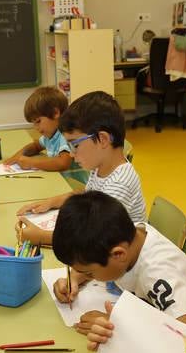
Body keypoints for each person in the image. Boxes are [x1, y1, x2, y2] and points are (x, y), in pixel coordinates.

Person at [51, 191, 186, 346]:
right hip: (157, 316)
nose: (87, 275)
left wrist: (119, 325)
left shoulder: (156, 272)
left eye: (89, 272)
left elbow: (183, 331)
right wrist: (74, 278)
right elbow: (96, 260)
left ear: (118, 255)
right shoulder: (125, 235)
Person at [16, 91, 146, 246]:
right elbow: (86, 194)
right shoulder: (101, 167)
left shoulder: (119, 185)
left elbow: (92, 238)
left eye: (75, 144)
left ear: (103, 139)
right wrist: (51, 202)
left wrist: (40, 236)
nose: (71, 153)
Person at [4, 86, 72, 172]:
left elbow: (63, 163)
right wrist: (17, 156)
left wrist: (31, 162)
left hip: (72, 184)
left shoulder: (65, 134)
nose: (36, 128)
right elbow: (36, 146)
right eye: (34, 123)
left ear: (55, 113)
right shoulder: (50, 134)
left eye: (38, 121)